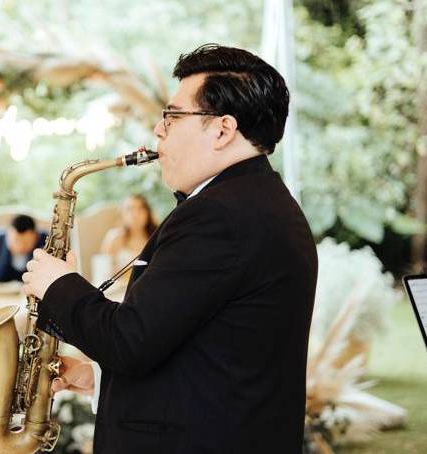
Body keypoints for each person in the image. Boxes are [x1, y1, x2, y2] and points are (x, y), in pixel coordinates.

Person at [22, 43, 318, 453]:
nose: (158, 131)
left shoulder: (222, 216)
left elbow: (129, 341)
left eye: (173, 117)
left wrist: (57, 285)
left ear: (222, 129)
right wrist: (101, 380)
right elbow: (210, 356)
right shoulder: (252, 202)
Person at [0, 214, 47, 284]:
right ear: (8, 234)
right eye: (16, 241)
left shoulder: (46, 240)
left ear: (36, 237)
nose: (20, 247)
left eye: (26, 242)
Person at [99, 195, 157, 285]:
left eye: (141, 208)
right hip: (121, 289)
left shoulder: (156, 237)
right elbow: (102, 273)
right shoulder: (114, 237)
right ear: (122, 214)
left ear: (148, 212)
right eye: (130, 209)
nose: (135, 214)